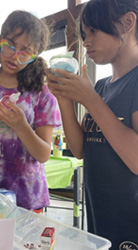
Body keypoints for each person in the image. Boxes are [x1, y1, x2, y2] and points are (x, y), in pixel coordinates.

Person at [46, 0, 138, 248]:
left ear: (128, 23)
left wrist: (89, 99)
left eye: (93, 31)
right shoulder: (101, 87)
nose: (86, 42)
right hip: (100, 217)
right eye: (84, 34)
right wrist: (65, 100)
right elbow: (81, 149)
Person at [0, 10, 61, 212]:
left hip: (28, 197)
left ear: (35, 57)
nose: (15, 56)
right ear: (0, 41)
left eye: (26, 51)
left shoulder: (41, 94)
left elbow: (43, 154)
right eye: (10, 46)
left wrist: (21, 126)